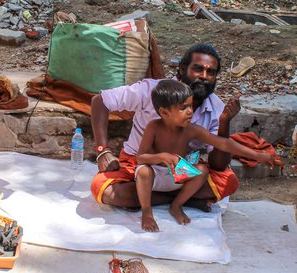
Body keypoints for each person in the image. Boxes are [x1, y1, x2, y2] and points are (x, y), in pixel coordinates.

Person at [91, 43, 240, 208]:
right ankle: (186, 199)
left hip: (182, 169)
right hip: (138, 165)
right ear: (182, 69)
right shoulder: (151, 90)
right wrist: (102, 150)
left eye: (211, 72)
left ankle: (148, 198)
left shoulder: (216, 108)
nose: (204, 76)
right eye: (198, 69)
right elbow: (100, 101)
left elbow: (218, 165)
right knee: (105, 191)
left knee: (229, 182)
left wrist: (224, 123)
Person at [136, 80, 274, 232]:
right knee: (143, 171)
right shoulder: (153, 127)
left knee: (202, 170)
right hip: (155, 176)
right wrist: (162, 157)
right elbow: (140, 158)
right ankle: (147, 212)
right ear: (164, 113)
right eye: (183, 108)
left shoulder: (192, 129)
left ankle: (176, 205)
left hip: (177, 175)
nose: (190, 111)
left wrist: (257, 155)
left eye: (190, 106)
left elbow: (224, 144)